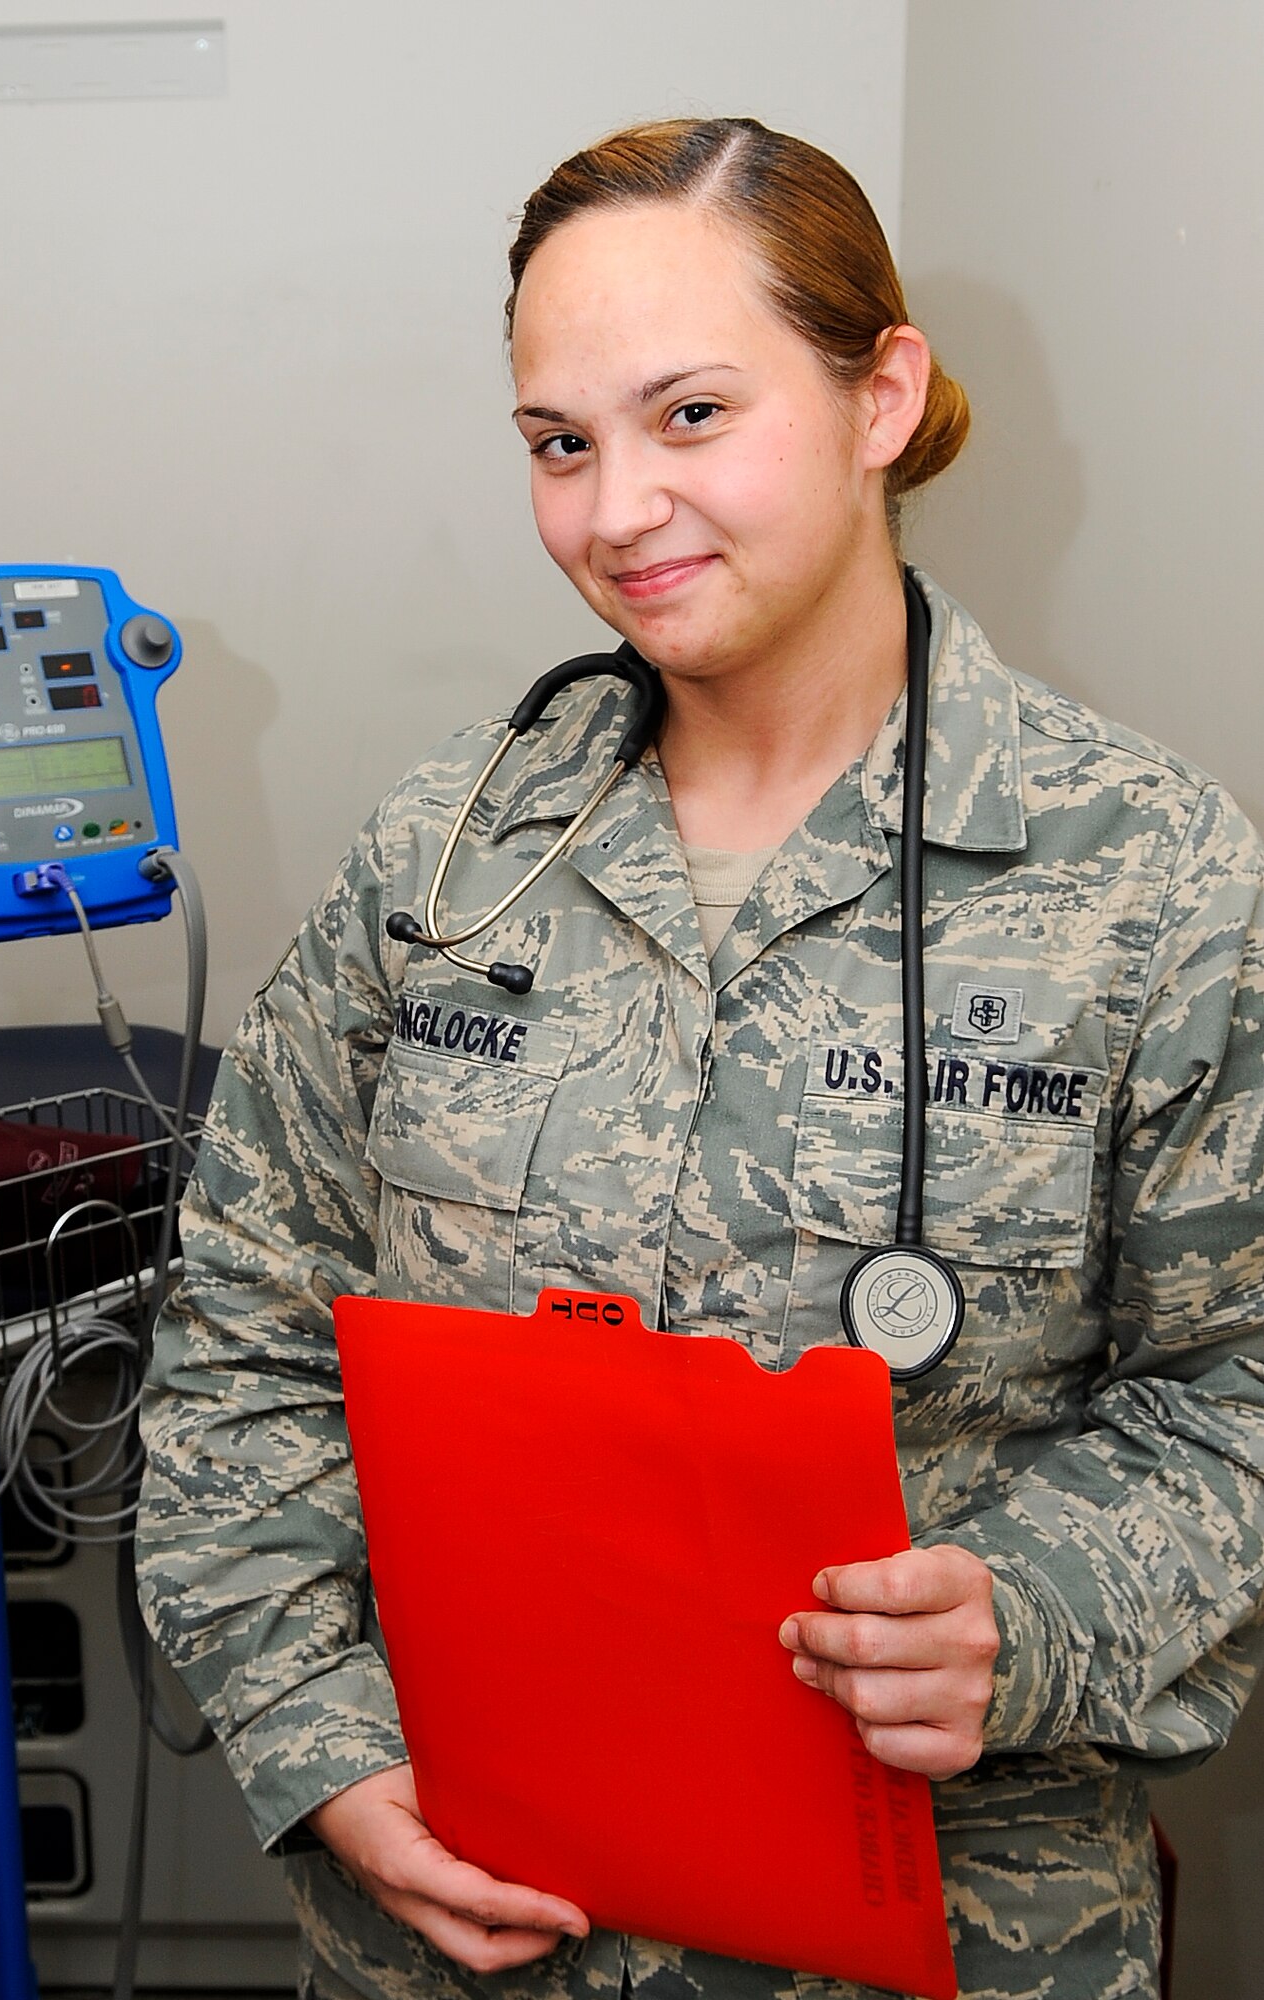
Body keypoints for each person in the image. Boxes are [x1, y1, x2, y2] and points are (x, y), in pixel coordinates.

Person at [136, 117, 1264, 2000]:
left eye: (687, 415)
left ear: (879, 395)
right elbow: (245, 1345)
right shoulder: (440, 875)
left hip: (946, 1927)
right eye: (558, 444)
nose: (615, 510)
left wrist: (1036, 1616)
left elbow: (1235, 1390)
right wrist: (331, 1761)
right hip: (460, 1918)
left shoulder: (1146, 881)